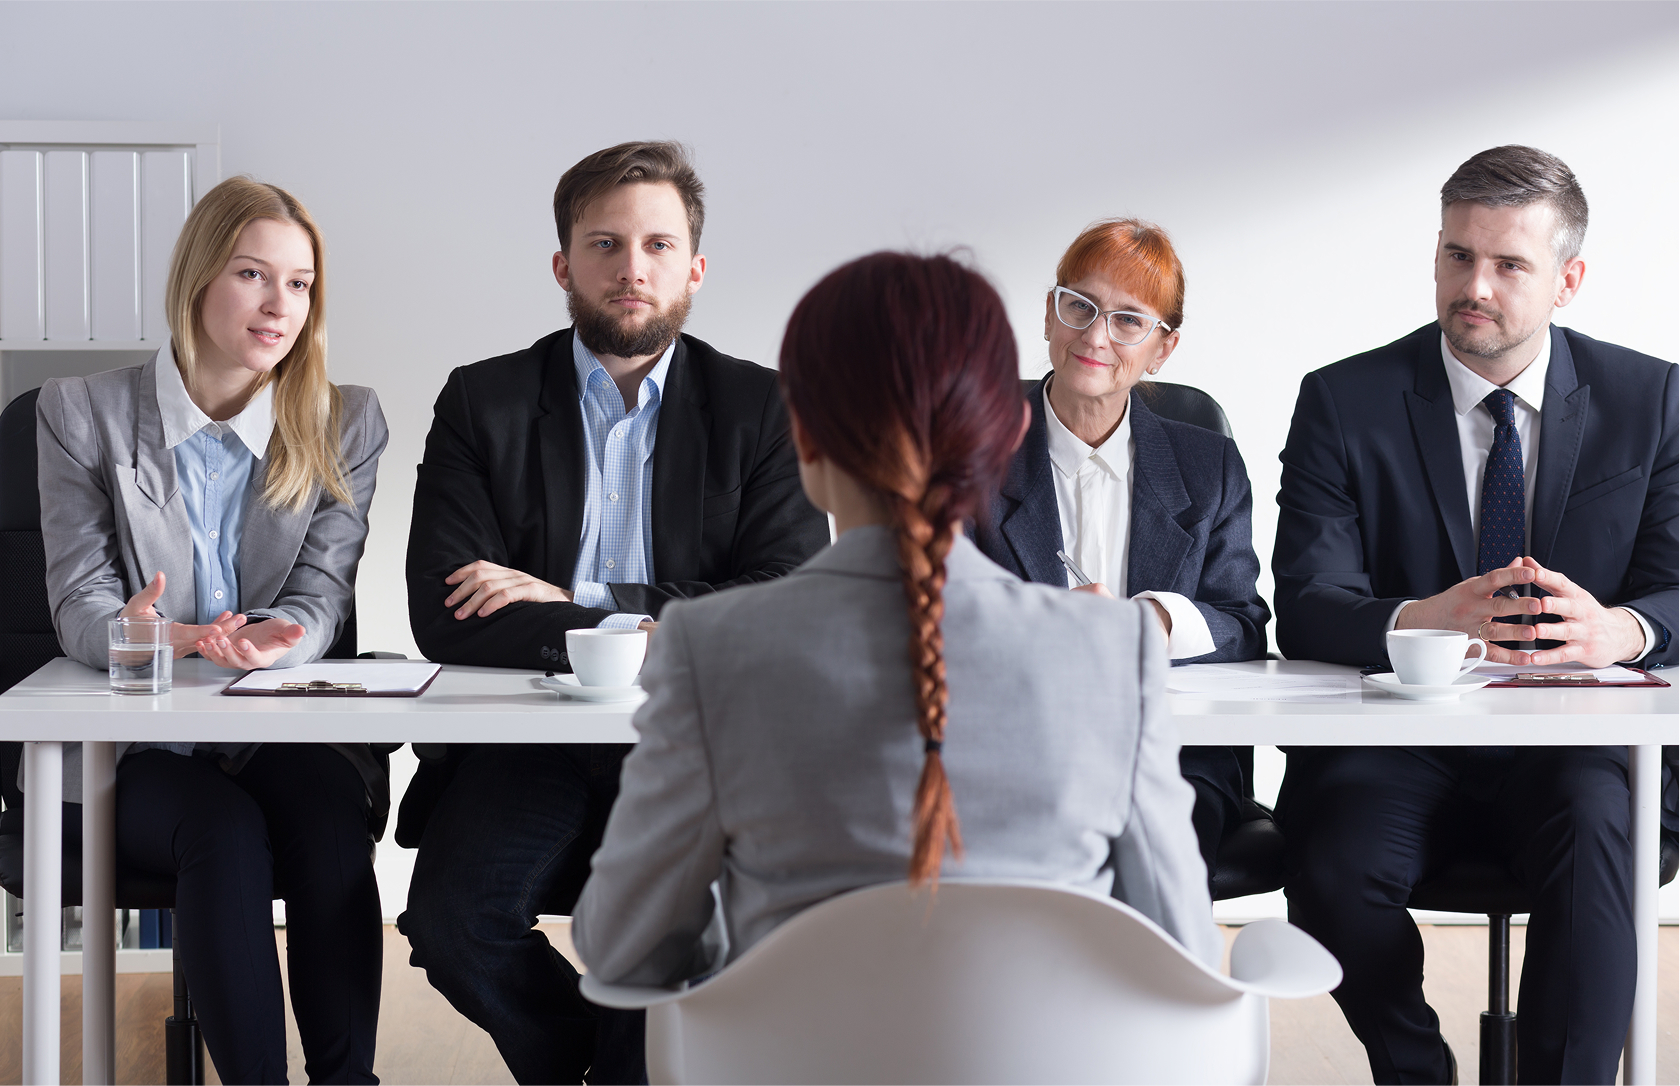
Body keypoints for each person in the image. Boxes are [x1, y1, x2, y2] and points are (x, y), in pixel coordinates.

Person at [572, 250, 1222, 991]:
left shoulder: (709, 646)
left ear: (804, 441)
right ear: (1007, 435)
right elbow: (1187, 954)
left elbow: (622, 946)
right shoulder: (1116, 650)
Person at [398, 140, 829, 1084]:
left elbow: (789, 597)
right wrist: (670, 621)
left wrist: (579, 599)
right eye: (604, 244)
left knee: (668, 934)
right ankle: (590, 1062)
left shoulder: (764, 407)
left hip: (692, 739)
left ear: (695, 268)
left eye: (657, 246)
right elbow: (447, 610)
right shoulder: (486, 400)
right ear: (563, 264)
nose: (631, 268)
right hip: (530, 733)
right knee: (450, 921)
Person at [1272, 145, 1677, 1085]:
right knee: (1331, 869)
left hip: (1573, 741)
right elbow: (1303, 604)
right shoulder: (1344, 400)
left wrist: (1624, 630)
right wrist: (1426, 615)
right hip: (1399, 743)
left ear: (1567, 280)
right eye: (1458, 256)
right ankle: (1418, 1071)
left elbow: (1677, 587)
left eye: (1508, 265)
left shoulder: (1652, 401)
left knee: (1598, 839)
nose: (1474, 286)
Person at [36, 177, 389, 1083]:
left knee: (327, 818)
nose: (281, 306)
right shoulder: (82, 415)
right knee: (221, 831)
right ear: (199, 278)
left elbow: (321, 591)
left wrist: (285, 638)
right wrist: (149, 633)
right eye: (252, 274)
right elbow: (79, 604)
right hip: (138, 745)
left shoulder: (343, 422)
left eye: (301, 284)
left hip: (267, 723)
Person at [972, 219, 1269, 875]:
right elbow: (929, 614)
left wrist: (1157, 621)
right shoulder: (970, 448)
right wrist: (1049, 627)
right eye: (1078, 306)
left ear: (1163, 348)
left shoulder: (1208, 464)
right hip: (1015, 748)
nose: (1095, 336)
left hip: (1171, 753)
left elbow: (1244, 624)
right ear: (1049, 317)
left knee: (1152, 845)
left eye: (1129, 321)